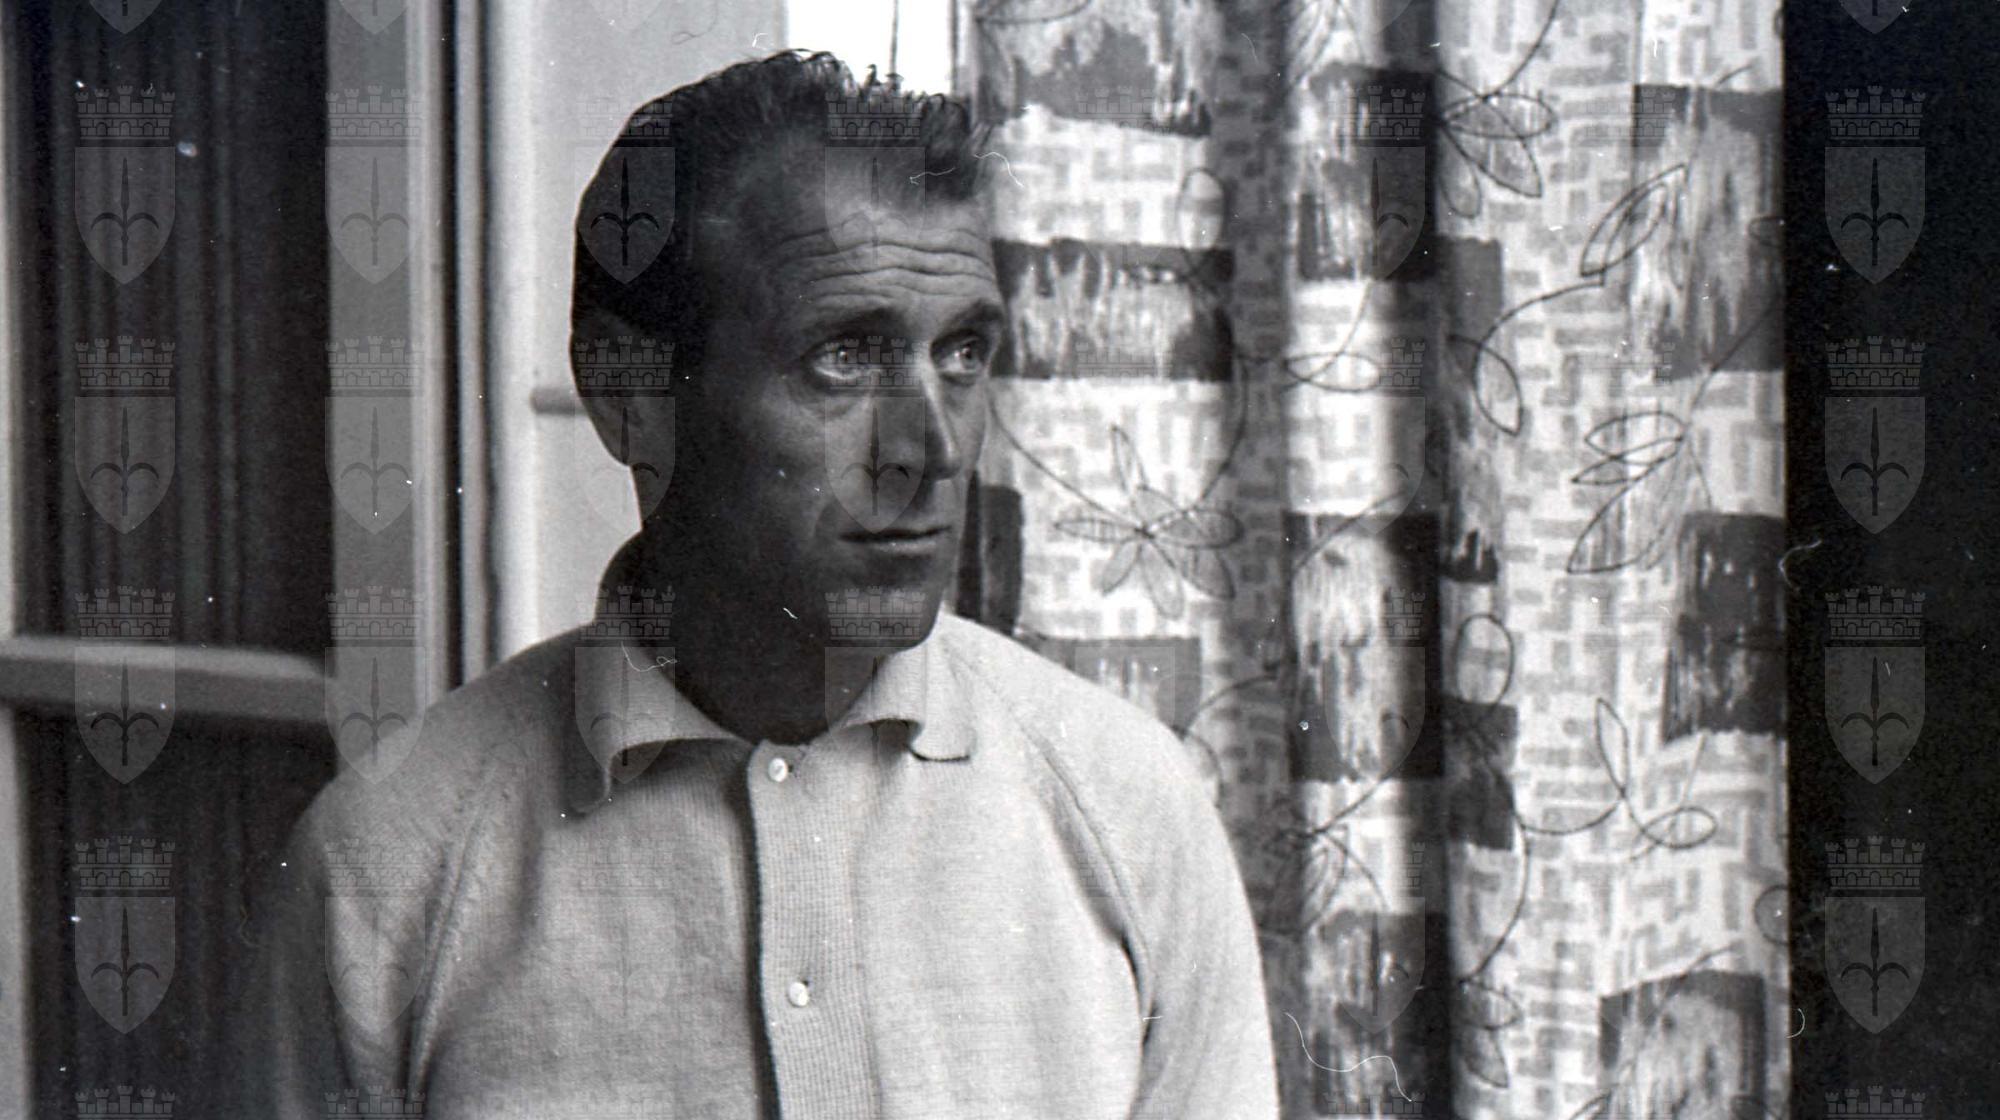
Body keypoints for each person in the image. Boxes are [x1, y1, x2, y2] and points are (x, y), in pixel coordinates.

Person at [233, 51, 1278, 1118]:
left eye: (962, 353)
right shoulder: (384, 870)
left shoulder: (1129, 809)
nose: (930, 447)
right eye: (843, 357)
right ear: (627, 395)